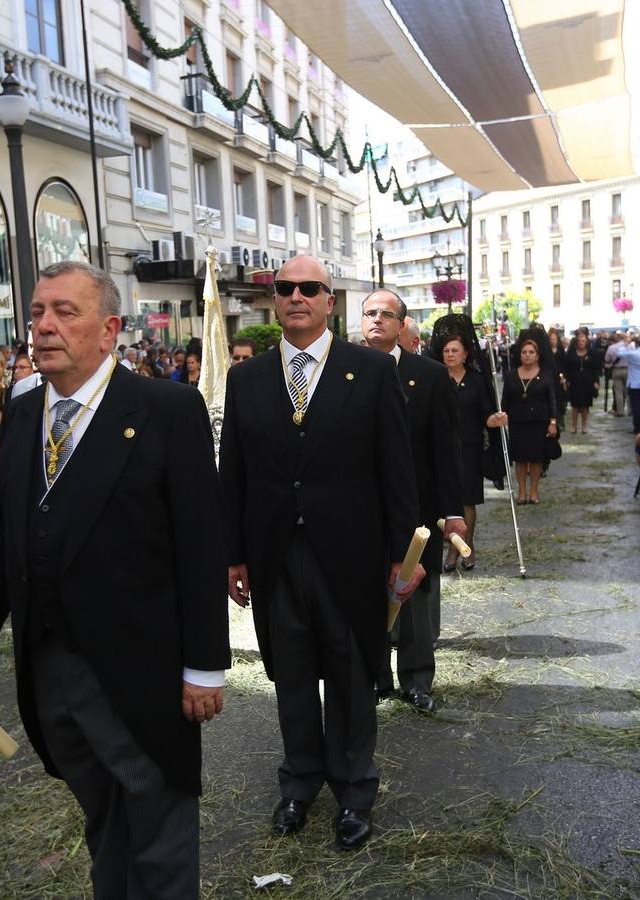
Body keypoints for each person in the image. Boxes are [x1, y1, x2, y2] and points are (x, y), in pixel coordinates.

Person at [0, 261, 229, 896]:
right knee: (103, 821)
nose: (43, 327)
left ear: (109, 329)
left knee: (160, 831)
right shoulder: (25, 410)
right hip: (52, 672)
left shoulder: (166, 409)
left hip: (140, 672)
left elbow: (201, 546)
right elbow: (6, 543)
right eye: (37, 312)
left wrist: (205, 665)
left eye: (65, 312)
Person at [219, 255, 421, 851]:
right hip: (275, 555)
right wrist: (233, 553)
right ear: (274, 300)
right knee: (293, 675)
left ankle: (355, 792)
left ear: (330, 301)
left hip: (351, 554)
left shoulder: (371, 370)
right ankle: (299, 782)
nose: (297, 297)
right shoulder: (248, 379)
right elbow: (234, 473)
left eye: (311, 288)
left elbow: (396, 470)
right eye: (286, 288)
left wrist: (400, 554)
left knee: (354, 674)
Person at [360, 290, 464, 714]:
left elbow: (446, 449)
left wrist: (453, 512)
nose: (377, 320)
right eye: (370, 313)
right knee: (367, 596)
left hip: (418, 511)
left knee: (415, 599)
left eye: (387, 314)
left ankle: (417, 680)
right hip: (362, 510)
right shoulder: (342, 372)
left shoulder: (430, 375)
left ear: (402, 325)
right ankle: (374, 678)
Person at [436, 329, 506, 569]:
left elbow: (485, 415)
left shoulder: (476, 380)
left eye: (455, 350)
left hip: (469, 448)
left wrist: (494, 420)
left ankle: (467, 546)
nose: (450, 354)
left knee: (466, 501)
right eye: (446, 351)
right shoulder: (435, 376)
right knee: (445, 500)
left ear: (465, 354)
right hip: (440, 447)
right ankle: (451, 550)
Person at [500, 336, 559, 505]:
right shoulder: (511, 376)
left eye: (531, 352)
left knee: (536, 459)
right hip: (518, 422)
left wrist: (553, 422)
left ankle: (533, 490)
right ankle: (522, 491)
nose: (527, 355)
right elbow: (505, 400)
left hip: (539, 422)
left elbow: (552, 400)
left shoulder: (545, 375)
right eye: (524, 352)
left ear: (537, 355)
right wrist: (502, 417)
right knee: (520, 458)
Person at [563, 331, 601, 434]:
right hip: (574, 382)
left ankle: (584, 426)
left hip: (587, 383)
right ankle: (574, 426)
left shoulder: (592, 353)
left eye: (583, 341)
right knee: (574, 406)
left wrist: (596, 381)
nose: (581, 343)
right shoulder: (571, 354)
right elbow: (567, 368)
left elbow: (595, 369)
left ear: (586, 342)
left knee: (585, 406)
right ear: (576, 342)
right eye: (579, 341)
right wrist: (566, 380)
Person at [605, 332, 629, 416]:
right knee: (628, 391)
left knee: (618, 391)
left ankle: (620, 411)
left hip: (616, 370)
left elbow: (607, 360)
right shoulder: (627, 346)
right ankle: (630, 411)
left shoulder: (611, 348)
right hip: (627, 369)